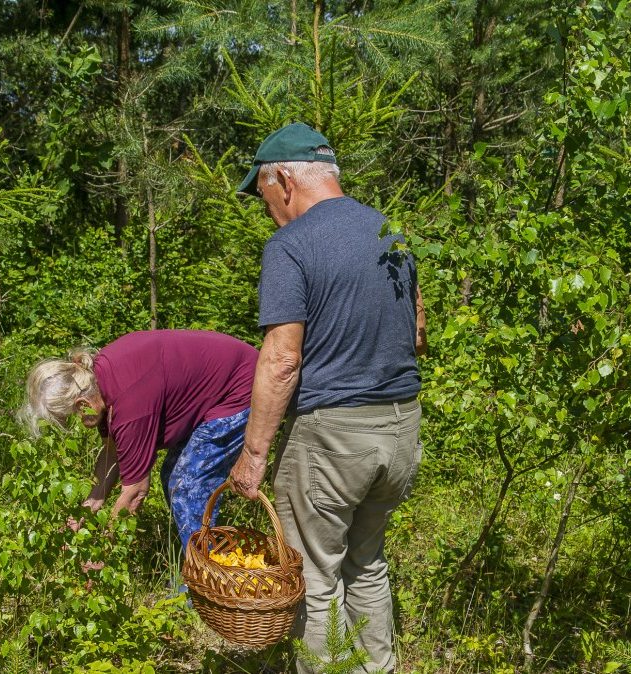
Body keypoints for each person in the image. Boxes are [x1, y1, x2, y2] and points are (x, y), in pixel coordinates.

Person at [228, 122, 427, 674]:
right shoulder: (391, 233)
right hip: (401, 429)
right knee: (367, 563)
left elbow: (282, 359)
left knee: (314, 577)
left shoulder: (291, 246)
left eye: (263, 194)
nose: (266, 208)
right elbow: (418, 334)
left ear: (285, 180)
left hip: (332, 438)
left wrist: (254, 453)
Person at [20, 329, 258, 553]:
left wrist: (102, 553)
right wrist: (86, 511)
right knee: (174, 477)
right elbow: (112, 453)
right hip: (219, 382)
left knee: (186, 485)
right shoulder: (97, 381)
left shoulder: (129, 406)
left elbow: (135, 492)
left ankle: (207, 574)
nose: (80, 422)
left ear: (83, 404)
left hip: (243, 385)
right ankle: (199, 562)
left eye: (74, 415)